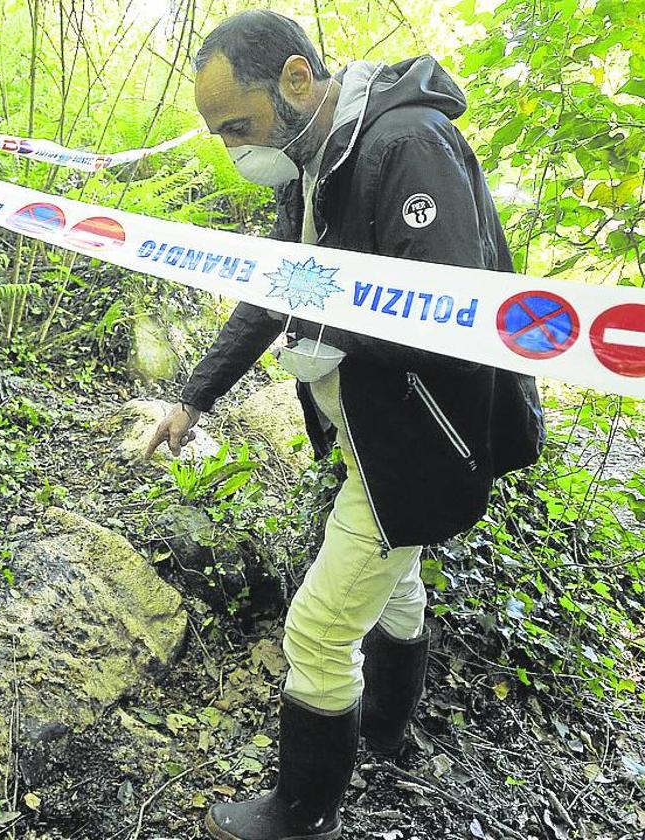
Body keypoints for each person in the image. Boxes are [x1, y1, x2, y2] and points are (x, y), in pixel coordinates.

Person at [144, 10, 546, 840]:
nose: (234, 149)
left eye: (238, 126)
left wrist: (323, 332)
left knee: (321, 626)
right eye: (219, 135)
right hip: (374, 434)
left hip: (424, 439)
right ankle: (391, 734)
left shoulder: (406, 145)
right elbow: (274, 287)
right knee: (392, 579)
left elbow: (454, 316)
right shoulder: (308, 159)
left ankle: (302, 812)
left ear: (297, 79)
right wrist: (195, 395)